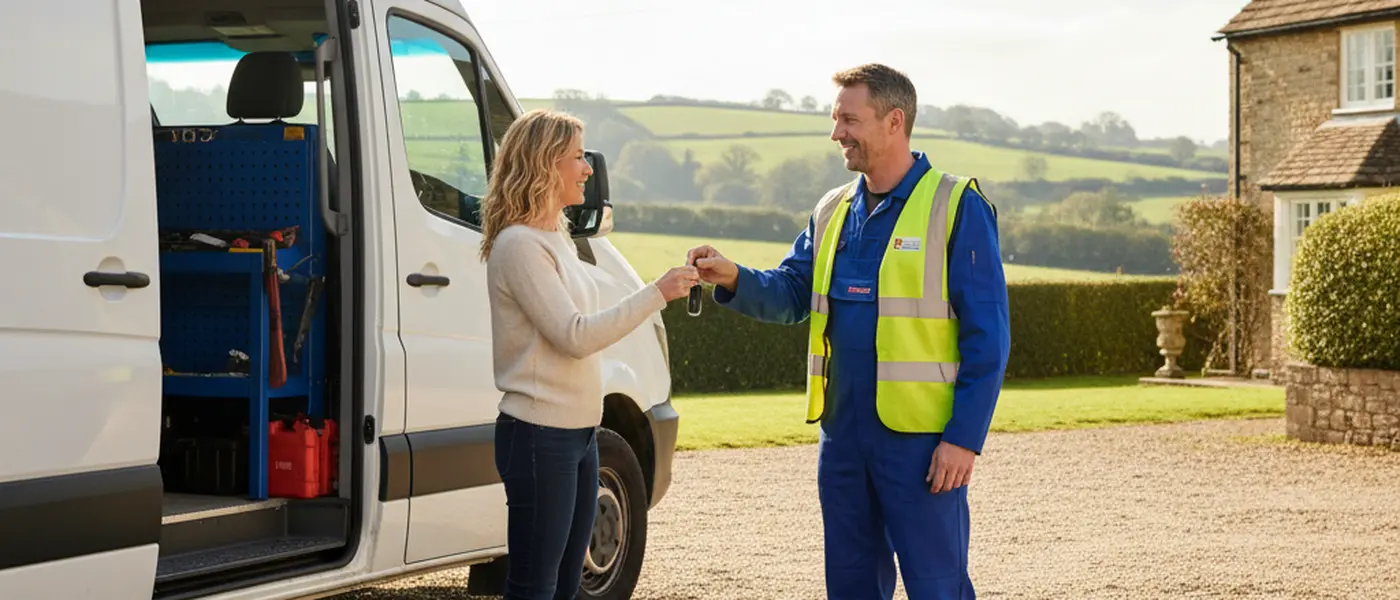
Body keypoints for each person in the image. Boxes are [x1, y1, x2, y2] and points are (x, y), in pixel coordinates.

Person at [687, 64, 1011, 599]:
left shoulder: (957, 208)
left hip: (922, 445)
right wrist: (735, 277)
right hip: (842, 440)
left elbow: (989, 338)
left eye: (848, 119)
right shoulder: (831, 210)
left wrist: (963, 439)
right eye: (835, 119)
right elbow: (794, 293)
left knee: (937, 587)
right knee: (850, 586)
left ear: (894, 121)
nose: (836, 133)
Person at [479, 109, 698, 600]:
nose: (587, 169)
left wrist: (664, 284)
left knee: (564, 588)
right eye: (578, 157)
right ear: (544, 164)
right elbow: (574, 335)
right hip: (538, 437)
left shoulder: (555, 237)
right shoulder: (519, 247)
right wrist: (657, 292)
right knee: (535, 587)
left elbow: (588, 316)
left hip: (577, 434)